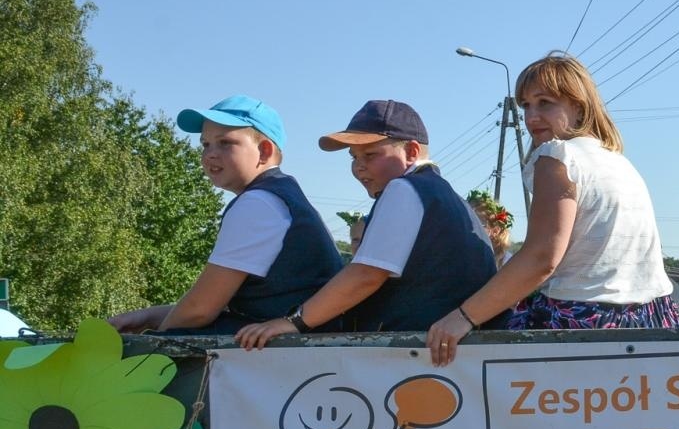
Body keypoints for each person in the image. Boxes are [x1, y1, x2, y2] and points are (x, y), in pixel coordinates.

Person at [426, 53, 675, 366]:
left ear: (578, 105)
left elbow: (542, 258)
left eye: (545, 103)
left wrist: (462, 317)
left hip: (583, 317)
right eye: (526, 105)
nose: (531, 117)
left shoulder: (557, 156)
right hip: (651, 318)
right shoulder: (618, 161)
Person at [235, 99, 502, 346]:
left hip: (414, 350)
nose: (358, 167)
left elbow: (366, 275)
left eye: (370, 155)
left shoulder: (404, 189)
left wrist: (292, 322)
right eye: (353, 157)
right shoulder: (443, 194)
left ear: (411, 151)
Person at [110, 95, 341, 335]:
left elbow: (200, 309)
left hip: (287, 356)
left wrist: (153, 344)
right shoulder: (279, 195)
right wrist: (148, 316)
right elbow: (211, 305)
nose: (210, 154)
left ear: (264, 151)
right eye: (205, 144)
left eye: (225, 143)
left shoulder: (258, 204)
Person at [467, 189, 515, 266]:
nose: (467, 230)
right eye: (465, 223)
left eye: (474, 225)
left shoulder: (509, 264)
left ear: (495, 231)